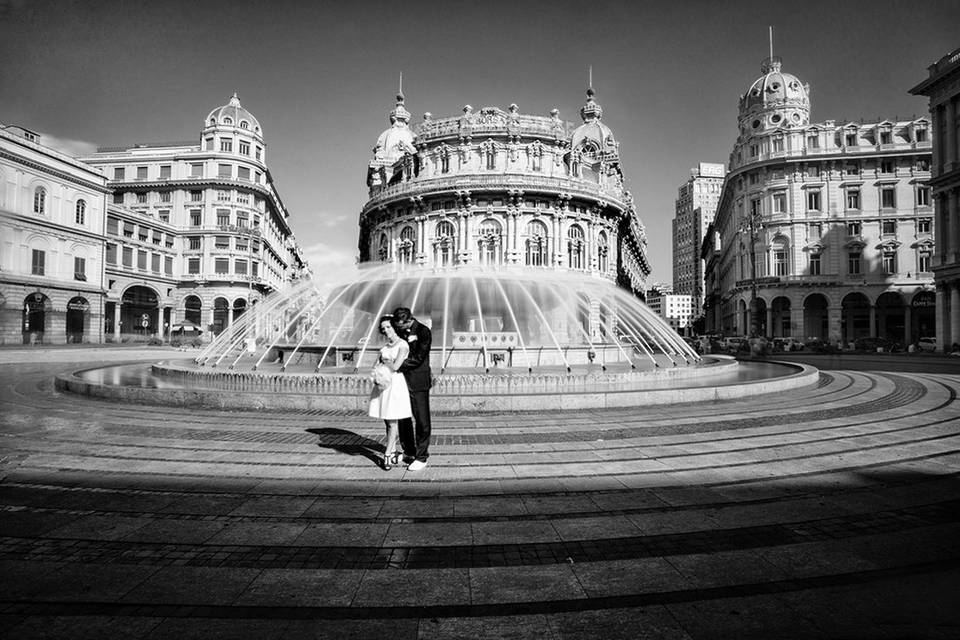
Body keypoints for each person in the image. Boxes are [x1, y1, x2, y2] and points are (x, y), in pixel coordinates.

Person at [367, 315, 412, 471]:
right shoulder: (385, 347)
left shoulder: (403, 345)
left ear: (395, 327)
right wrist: (381, 367)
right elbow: (375, 365)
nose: (386, 331)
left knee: (393, 422)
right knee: (387, 420)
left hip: (395, 386)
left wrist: (384, 361)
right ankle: (392, 451)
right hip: (383, 385)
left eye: (388, 327)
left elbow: (396, 366)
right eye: (383, 328)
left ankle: (387, 455)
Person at [392, 306, 432, 471]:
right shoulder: (399, 331)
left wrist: (396, 365)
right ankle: (408, 450)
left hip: (418, 381)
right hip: (401, 381)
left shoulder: (423, 331)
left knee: (421, 419)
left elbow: (419, 358)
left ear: (409, 320)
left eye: (400, 326)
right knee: (403, 418)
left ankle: (422, 457)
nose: (398, 329)